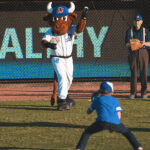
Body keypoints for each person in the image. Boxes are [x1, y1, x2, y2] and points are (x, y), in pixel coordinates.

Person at [41, 2, 88, 110]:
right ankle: (61, 100)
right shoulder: (50, 31)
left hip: (68, 58)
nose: (59, 21)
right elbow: (43, 41)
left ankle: (65, 96)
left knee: (69, 79)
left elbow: (79, 30)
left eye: (62, 18)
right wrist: (49, 44)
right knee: (62, 77)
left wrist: (83, 17)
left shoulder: (70, 29)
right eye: (56, 18)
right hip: (57, 58)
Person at [76, 81, 143, 150]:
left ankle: (79, 148)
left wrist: (94, 103)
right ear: (112, 92)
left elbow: (88, 111)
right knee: (127, 133)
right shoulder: (115, 100)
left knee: (87, 133)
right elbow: (119, 115)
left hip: (101, 122)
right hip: (115, 122)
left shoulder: (97, 100)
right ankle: (138, 147)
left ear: (100, 91)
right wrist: (114, 125)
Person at [125, 14, 150, 99]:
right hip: (133, 53)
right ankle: (133, 93)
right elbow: (126, 44)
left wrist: (143, 43)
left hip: (143, 52)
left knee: (144, 73)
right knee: (133, 74)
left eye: (139, 20)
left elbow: (149, 43)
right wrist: (133, 43)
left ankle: (144, 93)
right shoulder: (130, 31)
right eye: (136, 20)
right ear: (133, 21)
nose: (137, 22)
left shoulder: (145, 31)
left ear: (142, 21)